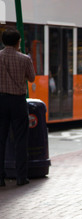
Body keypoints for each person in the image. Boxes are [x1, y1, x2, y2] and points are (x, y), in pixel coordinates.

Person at [0, 28, 35, 186]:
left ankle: (0, 178)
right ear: (18, 42)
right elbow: (32, 78)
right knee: (21, 139)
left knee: (1, 139)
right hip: (18, 101)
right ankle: (21, 177)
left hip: (1, 101)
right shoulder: (24, 59)